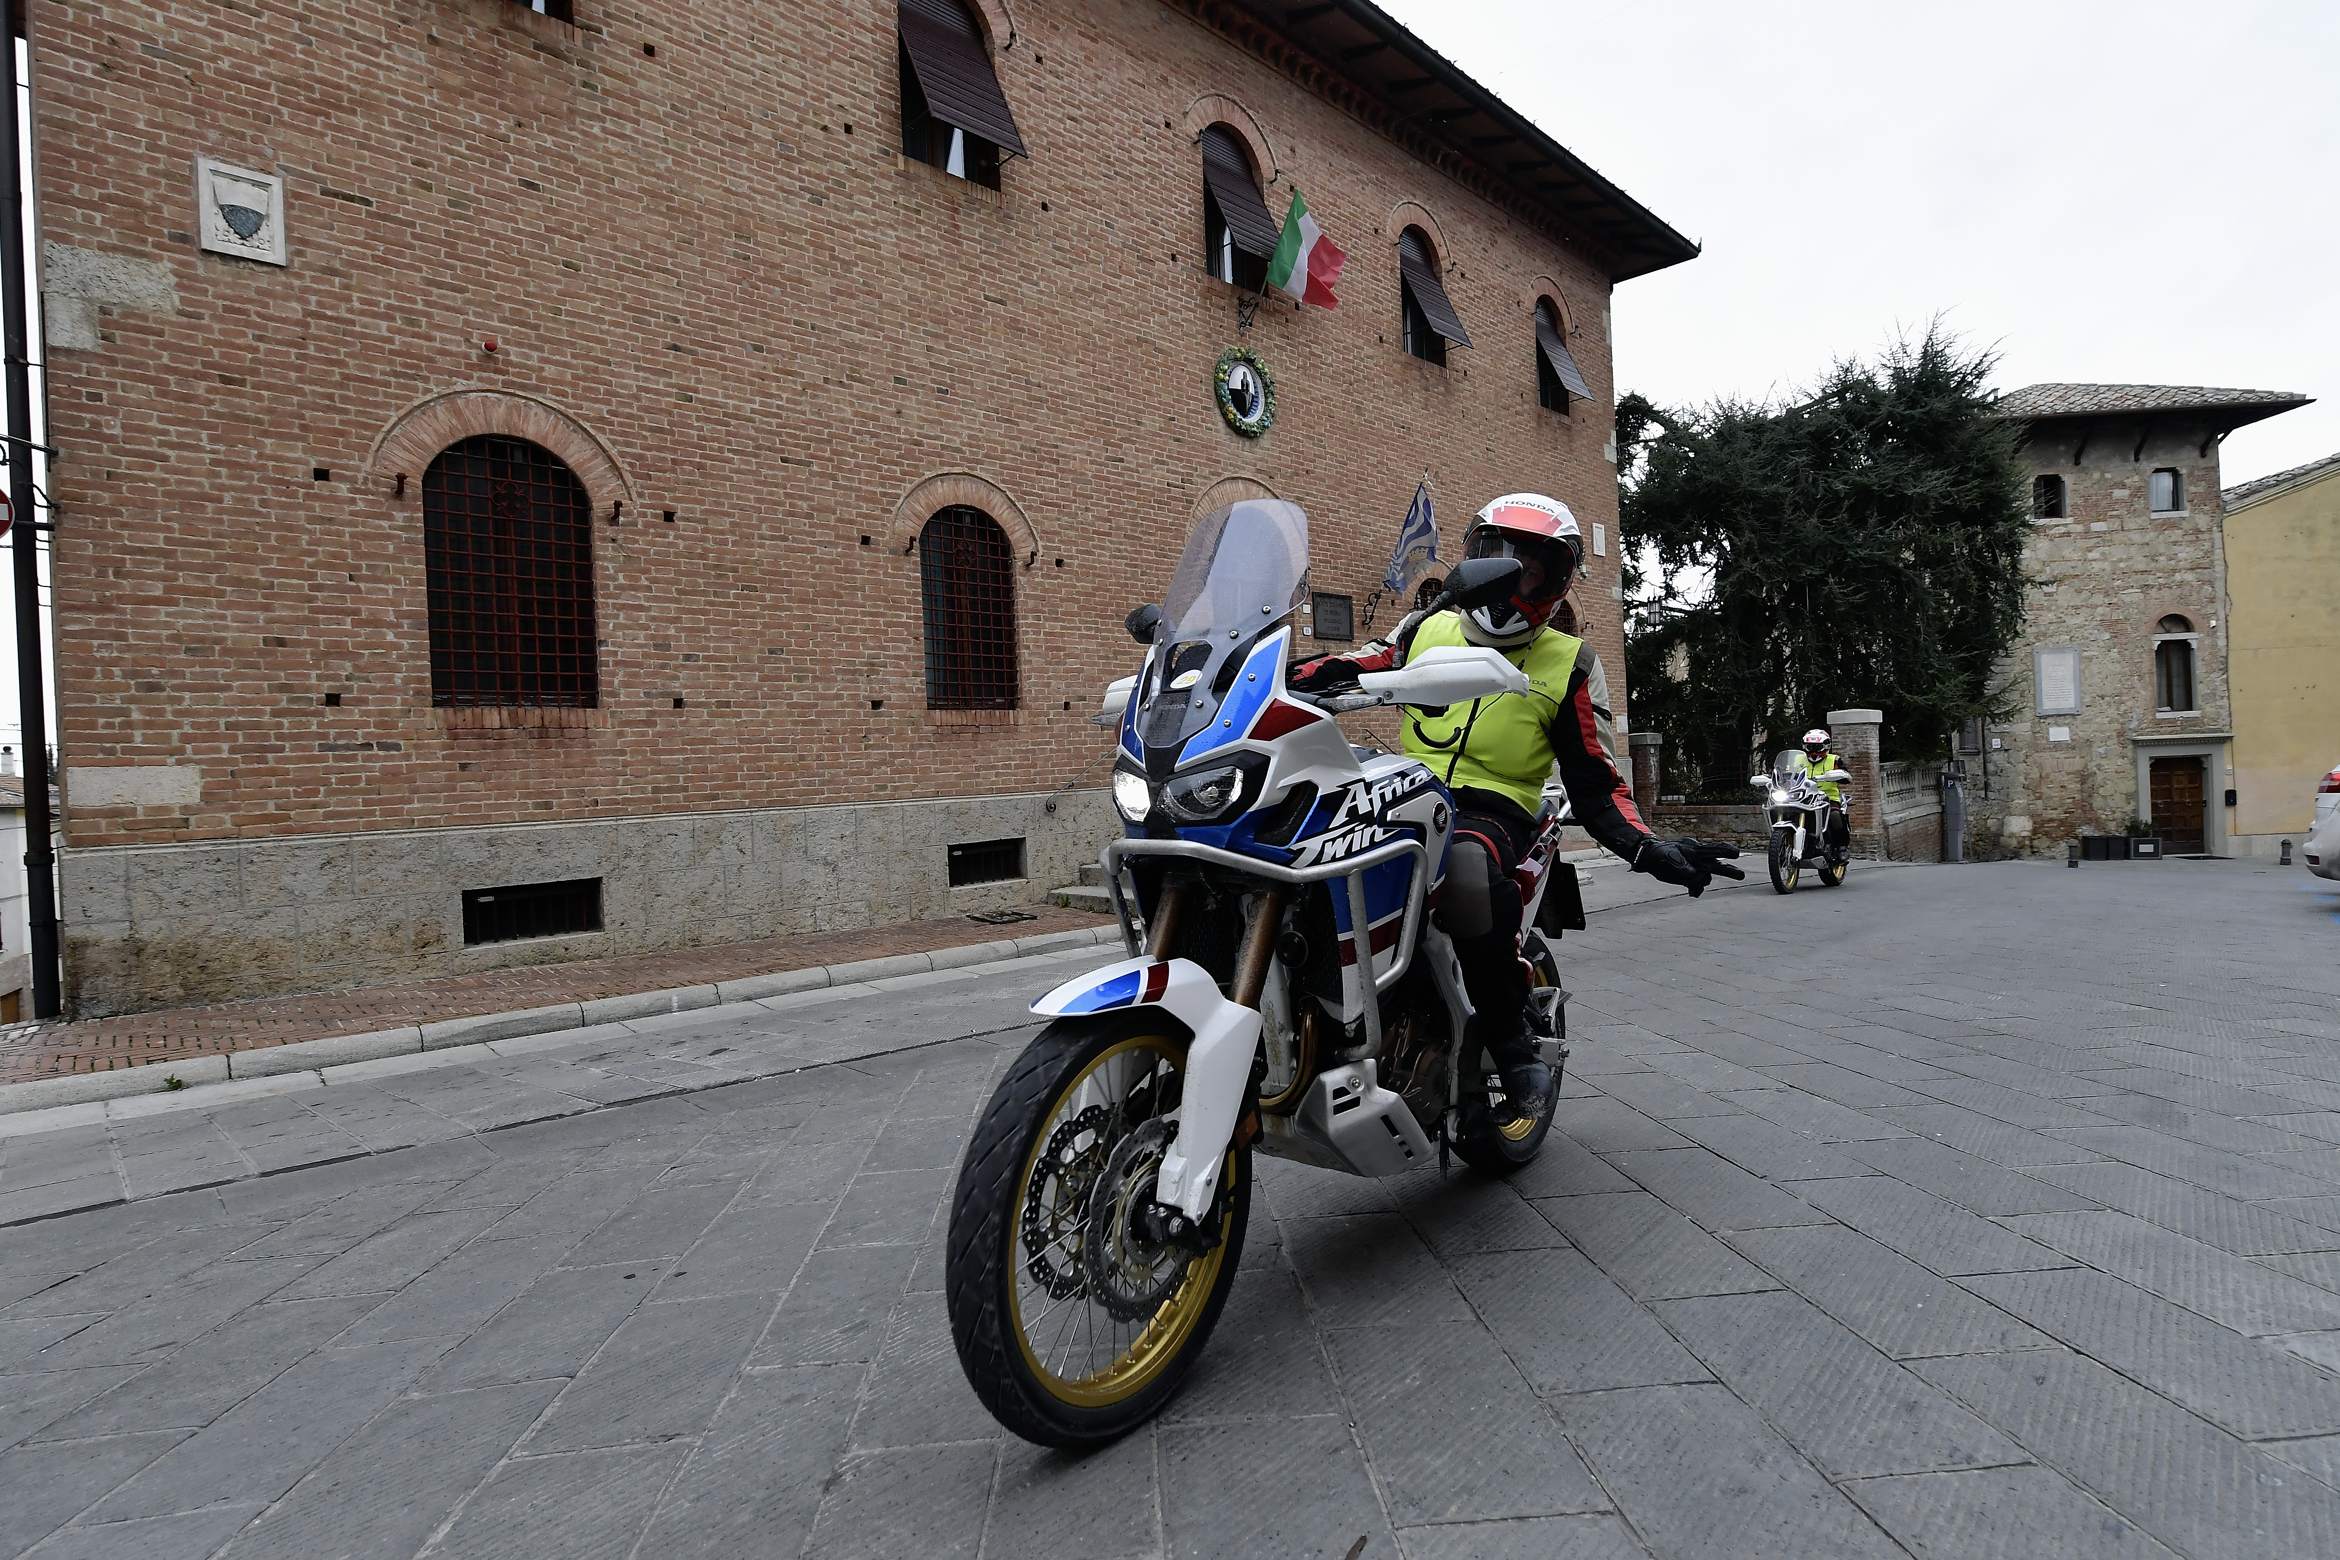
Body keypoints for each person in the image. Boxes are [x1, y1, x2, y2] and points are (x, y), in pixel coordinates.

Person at [1289, 493, 1743, 1118]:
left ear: (1555, 581)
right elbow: (1355, 662)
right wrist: (1258, 674)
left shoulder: (1571, 662)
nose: (1507, 582)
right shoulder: (1425, 627)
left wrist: (1647, 847)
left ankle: (1510, 1042)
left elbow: (1595, 780)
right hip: (1405, 789)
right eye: (1496, 561)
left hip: (1496, 808)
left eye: (1528, 569)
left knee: (1466, 868)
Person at [1801, 727, 1850, 856]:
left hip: (1828, 797)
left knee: (1835, 816)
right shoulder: (1799, 759)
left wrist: (1840, 776)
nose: (1813, 751)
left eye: (1816, 747)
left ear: (1825, 746)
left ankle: (1841, 847)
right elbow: (1787, 772)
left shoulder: (1834, 760)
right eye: (1809, 747)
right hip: (1803, 796)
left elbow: (1846, 776)